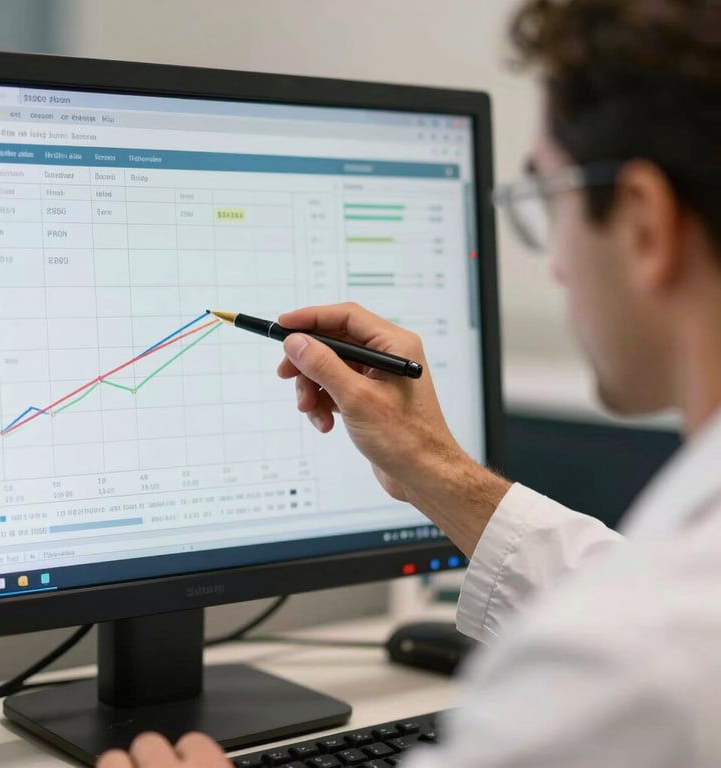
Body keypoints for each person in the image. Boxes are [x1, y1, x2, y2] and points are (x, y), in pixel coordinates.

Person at [98, 0, 721, 765]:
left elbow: (639, 637)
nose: (557, 266)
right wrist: (429, 466)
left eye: (548, 202)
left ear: (644, 224)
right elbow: (627, 595)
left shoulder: (635, 673)